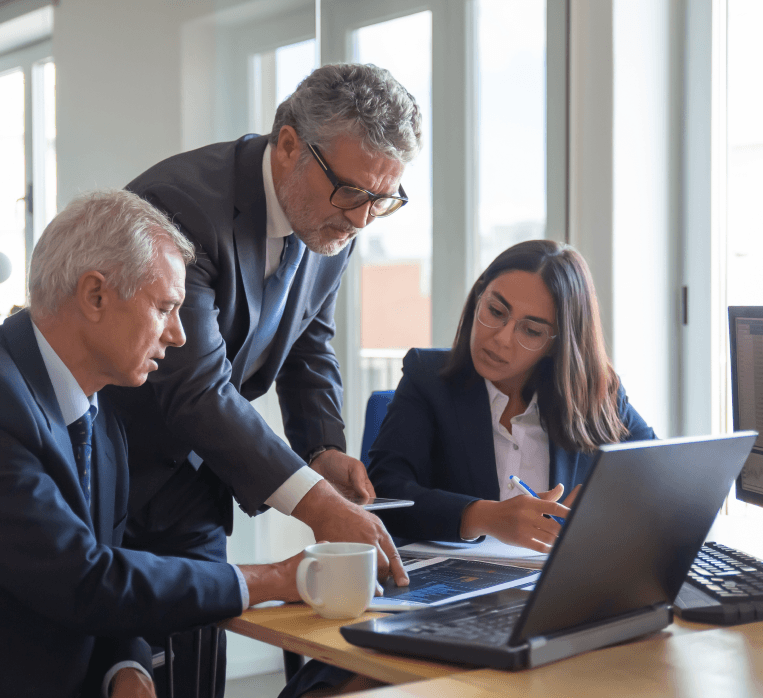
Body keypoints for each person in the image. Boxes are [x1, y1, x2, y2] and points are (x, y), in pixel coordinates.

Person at [103, 62, 421, 692]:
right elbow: (196, 389)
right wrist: (320, 506)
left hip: (198, 482)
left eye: (382, 200)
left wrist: (323, 449)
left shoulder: (338, 213)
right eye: (354, 193)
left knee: (194, 673)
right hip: (110, 474)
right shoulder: (178, 207)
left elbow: (309, 341)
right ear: (287, 146)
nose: (362, 220)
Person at [0, 190, 304, 698]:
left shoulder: (104, 416)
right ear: (95, 295)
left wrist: (127, 667)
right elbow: (84, 580)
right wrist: (272, 578)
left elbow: (109, 573)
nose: (180, 335)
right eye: (166, 307)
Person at [367, 239, 656, 549]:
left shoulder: (594, 392)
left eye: (531, 331)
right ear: (479, 296)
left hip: (557, 586)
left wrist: (602, 500)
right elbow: (385, 494)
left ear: (557, 343)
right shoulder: (426, 377)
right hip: (457, 585)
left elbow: (659, 475)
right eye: (495, 310)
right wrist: (483, 516)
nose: (502, 338)